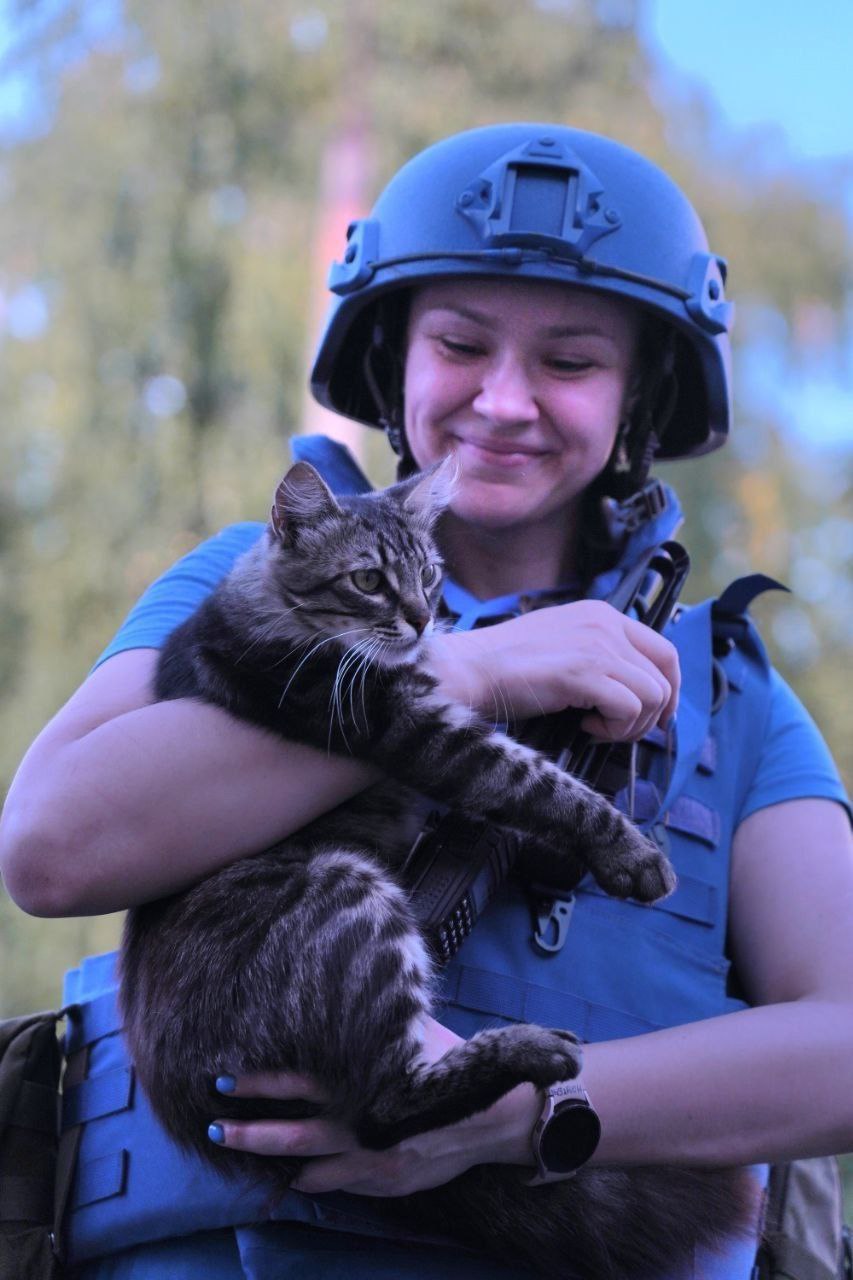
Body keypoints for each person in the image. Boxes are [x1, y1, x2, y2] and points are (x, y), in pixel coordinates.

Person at [1, 122, 852, 1280]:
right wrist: (473, 671)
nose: (504, 401)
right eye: (459, 343)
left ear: (638, 396)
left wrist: (526, 1115)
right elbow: (50, 847)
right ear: (391, 357)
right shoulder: (241, 578)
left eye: (569, 361)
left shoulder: (729, 686)